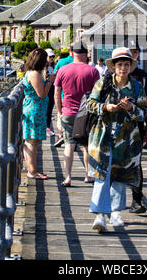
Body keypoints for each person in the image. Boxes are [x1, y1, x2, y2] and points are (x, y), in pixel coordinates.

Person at [87, 47, 147, 232]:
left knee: (121, 175)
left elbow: (144, 114)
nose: (123, 68)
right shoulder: (103, 83)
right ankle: (99, 215)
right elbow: (90, 104)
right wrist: (106, 108)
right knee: (101, 174)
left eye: (126, 64)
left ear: (131, 66)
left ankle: (115, 212)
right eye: (119, 64)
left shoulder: (137, 87)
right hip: (103, 135)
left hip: (127, 138)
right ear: (113, 66)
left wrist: (131, 109)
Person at [54, 41, 100, 186]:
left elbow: (56, 93)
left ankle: (68, 177)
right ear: (86, 55)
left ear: (72, 54)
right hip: (86, 113)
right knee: (87, 145)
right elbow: (98, 93)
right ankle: (88, 175)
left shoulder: (63, 70)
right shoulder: (93, 71)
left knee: (69, 145)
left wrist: (59, 112)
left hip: (68, 111)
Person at [22, 48, 55, 179]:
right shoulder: (34, 74)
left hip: (34, 110)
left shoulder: (30, 72)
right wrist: (50, 81)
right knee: (32, 142)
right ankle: (32, 171)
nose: (47, 63)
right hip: (35, 110)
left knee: (30, 141)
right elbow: (41, 94)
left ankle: (32, 170)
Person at [127, 41, 147, 214]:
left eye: (135, 52)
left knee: (136, 161)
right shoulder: (109, 75)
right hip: (115, 124)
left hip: (137, 122)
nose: (133, 54)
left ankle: (137, 199)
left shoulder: (142, 76)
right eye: (130, 51)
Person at [45, 49, 56, 137]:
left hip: (52, 89)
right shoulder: (43, 68)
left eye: (53, 56)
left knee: (50, 110)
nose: (52, 58)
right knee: (46, 110)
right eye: (50, 56)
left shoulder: (52, 67)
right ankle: (46, 128)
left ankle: (47, 127)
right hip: (46, 89)